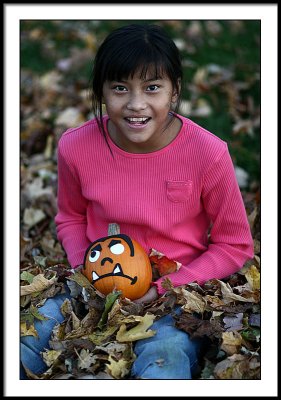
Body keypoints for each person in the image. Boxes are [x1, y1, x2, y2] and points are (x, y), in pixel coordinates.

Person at [21, 23, 254, 379]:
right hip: (94, 278)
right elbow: (70, 218)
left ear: (174, 91)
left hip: (175, 291)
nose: (135, 104)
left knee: (164, 356)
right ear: (101, 91)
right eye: (119, 88)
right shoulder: (76, 146)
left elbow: (234, 245)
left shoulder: (207, 153)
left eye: (152, 88)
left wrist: (166, 288)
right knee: (31, 336)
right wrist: (86, 269)